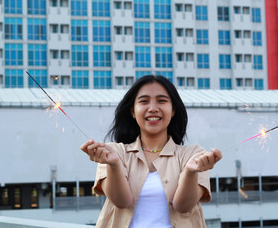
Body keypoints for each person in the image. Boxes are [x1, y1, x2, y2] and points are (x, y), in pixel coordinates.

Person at [80, 75, 222, 228]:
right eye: (144, 101)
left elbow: (183, 206)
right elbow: (121, 202)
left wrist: (190, 172)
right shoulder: (114, 153)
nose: (153, 108)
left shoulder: (192, 155)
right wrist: (114, 165)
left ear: (173, 110)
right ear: (133, 112)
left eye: (162, 101)